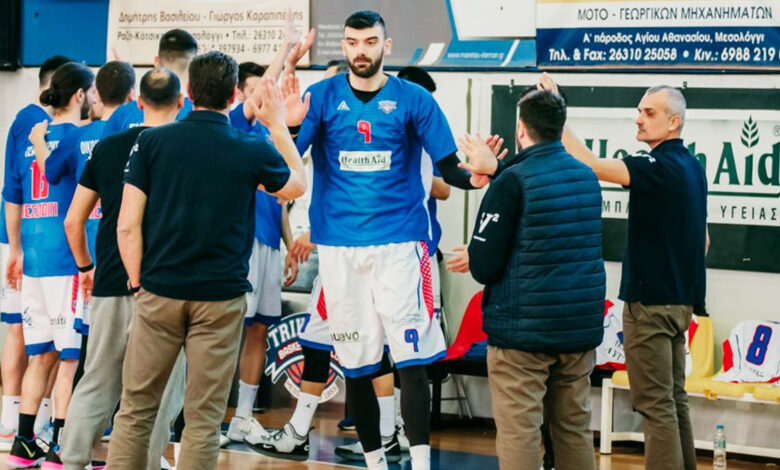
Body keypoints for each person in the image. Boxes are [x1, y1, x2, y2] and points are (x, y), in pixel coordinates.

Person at [288, 11, 496, 470]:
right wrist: (286, 126)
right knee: (357, 363)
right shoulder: (321, 96)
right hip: (339, 250)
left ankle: (420, 463)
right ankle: (375, 463)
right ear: (343, 46)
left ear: (386, 45)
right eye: (351, 42)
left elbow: (449, 168)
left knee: (410, 358)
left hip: (400, 246)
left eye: (369, 42)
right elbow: (287, 165)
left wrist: (479, 177)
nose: (360, 50)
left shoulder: (414, 99)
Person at [106, 51, 306, 470]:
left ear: (188, 93)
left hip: (159, 291)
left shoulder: (151, 142)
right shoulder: (250, 146)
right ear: (234, 95)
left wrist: (139, 282)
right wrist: (277, 125)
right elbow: (296, 186)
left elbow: (127, 226)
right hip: (220, 298)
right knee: (203, 418)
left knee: (136, 409)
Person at [539, 73, 707, 470]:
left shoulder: (656, 165)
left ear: (673, 122)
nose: (638, 119)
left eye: (649, 113)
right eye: (639, 111)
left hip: (650, 305)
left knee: (655, 405)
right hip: (680, 303)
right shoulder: (693, 166)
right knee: (673, 400)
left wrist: (556, 111)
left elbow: (588, 164)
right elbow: (703, 241)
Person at [458, 88, 605, 470]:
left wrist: (496, 175)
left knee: (519, 432)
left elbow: (484, 267)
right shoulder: (586, 176)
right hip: (578, 330)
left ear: (521, 129)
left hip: (522, 335)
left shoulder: (511, 181)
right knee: (573, 429)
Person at [58, 68, 188, 470]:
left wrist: (86, 266)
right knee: (162, 390)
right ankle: (148, 463)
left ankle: (70, 461)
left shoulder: (109, 147)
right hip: (165, 289)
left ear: (139, 102)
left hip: (111, 281)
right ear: (181, 102)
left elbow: (73, 221)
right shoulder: (184, 149)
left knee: (97, 380)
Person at [4, 62, 97, 468]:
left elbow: (13, 196)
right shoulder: (79, 138)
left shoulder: (32, 137)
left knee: (40, 355)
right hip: (65, 259)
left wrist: (16, 249)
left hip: (35, 260)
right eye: (91, 92)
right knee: (69, 358)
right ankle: (61, 446)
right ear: (79, 95)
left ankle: (23, 442)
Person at [31, 60, 135, 341]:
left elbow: (50, 171)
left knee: (90, 348)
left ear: (97, 94)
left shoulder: (79, 136)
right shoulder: (137, 137)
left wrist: (38, 140)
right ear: (132, 96)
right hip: (128, 255)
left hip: (90, 253)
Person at [0, 54, 72, 449]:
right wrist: (16, 247)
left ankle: (25, 421)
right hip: (32, 241)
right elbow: (14, 190)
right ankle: (17, 419)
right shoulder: (36, 123)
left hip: (29, 239)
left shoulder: (34, 123)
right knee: (27, 332)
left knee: (36, 338)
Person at [102, 29, 198, 135]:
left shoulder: (122, 114)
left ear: (156, 61)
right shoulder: (199, 114)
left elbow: (105, 145)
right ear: (194, 66)